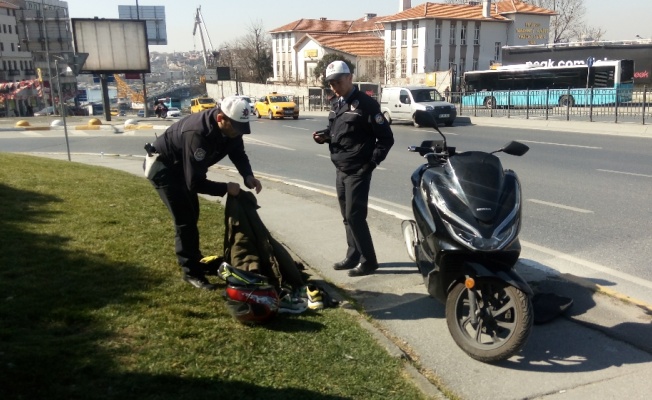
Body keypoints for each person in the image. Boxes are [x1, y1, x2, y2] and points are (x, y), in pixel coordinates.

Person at [145, 96, 262, 290]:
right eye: (234, 127)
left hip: (186, 169)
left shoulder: (233, 128)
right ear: (220, 119)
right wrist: (225, 188)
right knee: (185, 220)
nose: (237, 132)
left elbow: (238, 152)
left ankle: (195, 258)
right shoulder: (198, 133)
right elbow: (194, 183)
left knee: (193, 214)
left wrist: (248, 176)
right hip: (165, 169)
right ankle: (190, 272)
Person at [312, 60, 394, 277]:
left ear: (349, 78)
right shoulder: (337, 103)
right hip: (341, 167)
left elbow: (386, 139)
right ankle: (353, 255)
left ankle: (369, 261)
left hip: (359, 169)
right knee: (346, 216)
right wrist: (324, 136)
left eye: (337, 82)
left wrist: (372, 164)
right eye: (330, 83)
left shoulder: (367, 105)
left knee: (355, 216)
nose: (334, 87)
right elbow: (335, 130)